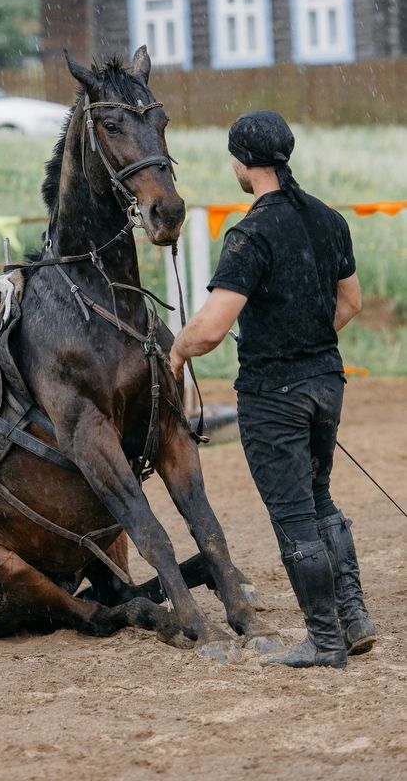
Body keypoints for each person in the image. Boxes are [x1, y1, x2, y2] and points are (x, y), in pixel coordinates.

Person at [169, 110, 376, 669]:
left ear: (242, 162)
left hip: (273, 394)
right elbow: (350, 303)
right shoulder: (330, 219)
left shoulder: (252, 232)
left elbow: (210, 329)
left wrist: (177, 349)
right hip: (326, 383)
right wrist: (307, 342)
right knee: (320, 499)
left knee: (294, 516)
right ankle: (353, 620)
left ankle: (325, 642)